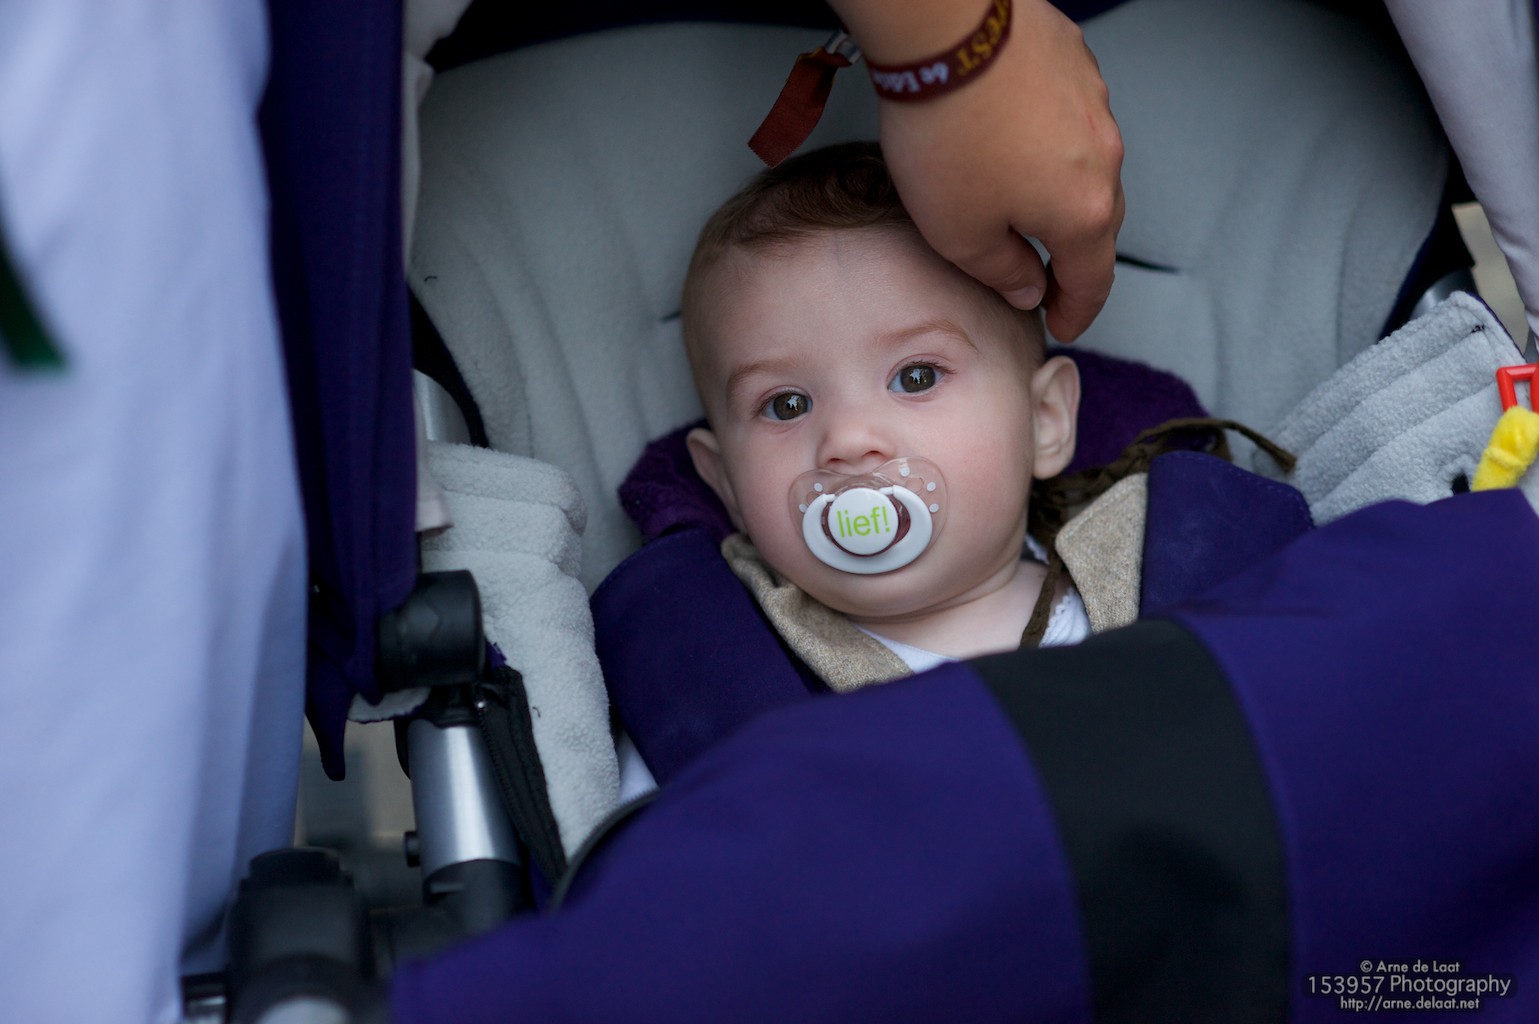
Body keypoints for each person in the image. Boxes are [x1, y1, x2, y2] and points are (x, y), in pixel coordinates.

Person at [680, 142, 1088, 685]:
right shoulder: (718, 666)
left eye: (916, 377)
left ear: (1044, 420)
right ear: (726, 482)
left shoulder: (1143, 582)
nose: (849, 439)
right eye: (786, 405)